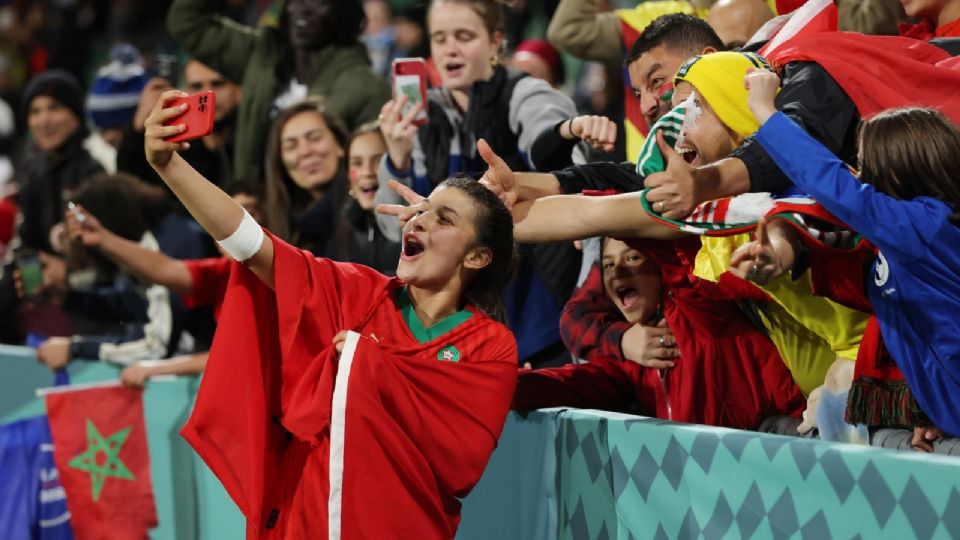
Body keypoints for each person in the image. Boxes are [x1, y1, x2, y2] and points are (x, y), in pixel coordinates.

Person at [145, 90, 519, 538]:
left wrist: (366, 364)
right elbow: (253, 245)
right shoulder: (359, 291)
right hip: (305, 522)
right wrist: (168, 166)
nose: (417, 221)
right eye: (419, 211)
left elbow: (461, 461)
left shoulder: (492, 347)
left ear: (477, 257)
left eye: (443, 219)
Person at [374, 0, 615, 367]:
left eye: (464, 36)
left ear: (495, 43)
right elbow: (391, 230)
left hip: (539, 313)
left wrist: (570, 172)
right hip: (457, 323)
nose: (450, 48)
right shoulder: (419, 118)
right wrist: (398, 158)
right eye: (440, 38)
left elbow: (548, 144)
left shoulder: (524, 92)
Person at [731, 69, 960, 445]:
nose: (862, 175)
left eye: (868, 165)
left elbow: (835, 186)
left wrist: (765, 111)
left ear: (901, 170)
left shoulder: (924, 226)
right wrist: (931, 409)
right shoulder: (912, 233)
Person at [514, 237, 806, 428]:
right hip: (706, 486)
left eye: (633, 259)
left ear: (659, 268)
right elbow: (576, 382)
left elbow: (671, 251)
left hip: (787, 445)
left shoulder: (702, 307)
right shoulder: (630, 352)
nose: (617, 273)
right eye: (608, 264)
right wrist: (504, 385)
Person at [60, 180, 265, 386]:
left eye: (248, 215)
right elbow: (166, 270)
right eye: (217, 221)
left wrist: (157, 369)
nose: (228, 231)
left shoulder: (278, 271)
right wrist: (102, 239)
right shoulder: (220, 272)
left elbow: (240, 354)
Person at [167, 0, 391, 182]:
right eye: (295, 0)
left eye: (319, 2)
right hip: (254, 216)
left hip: (322, 224)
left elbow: (373, 171)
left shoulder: (366, 86)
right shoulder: (262, 54)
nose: (304, 9)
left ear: (343, 13)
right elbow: (186, 22)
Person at [34, 173, 211, 370]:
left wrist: (77, 348)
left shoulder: (161, 249)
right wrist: (70, 299)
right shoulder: (159, 233)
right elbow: (136, 304)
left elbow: (158, 346)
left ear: (107, 222)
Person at [117, 58, 243, 190]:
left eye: (218, 84)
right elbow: (130, 188)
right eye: (196, 86)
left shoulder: (254, 143)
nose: (207, 94)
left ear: (240, 91)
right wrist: (137, 128)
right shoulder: (175, 148)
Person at [263, 98, 351, 258]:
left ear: (340, 145)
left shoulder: (365, 208)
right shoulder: (283, 227)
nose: (305, 151)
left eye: (315, 138)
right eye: (291, 146)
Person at [346, 122, 401, 274]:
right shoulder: (341, 233)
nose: (367, 172)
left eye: (379, 161)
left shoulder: (414, 228)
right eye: (357, 163)